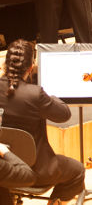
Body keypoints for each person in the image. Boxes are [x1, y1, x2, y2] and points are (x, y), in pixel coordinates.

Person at [0, 39, 85, 204]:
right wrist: (49, 92)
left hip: (4, 168)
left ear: (4, 64)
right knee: (77, 170)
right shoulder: (35, 94)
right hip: (36, 171)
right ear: (31, 68)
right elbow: (63, 115)